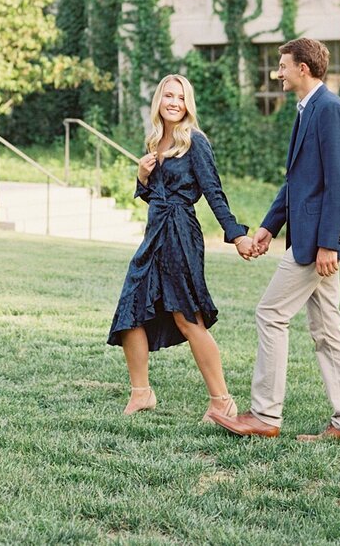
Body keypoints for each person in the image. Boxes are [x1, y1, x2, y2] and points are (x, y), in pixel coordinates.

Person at [211, 38, 340, 442]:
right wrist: (268, 227)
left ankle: (265, 415)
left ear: (304, 68)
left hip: (318, 242)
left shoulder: (329, 110)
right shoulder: (307, 109)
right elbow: (298, 182)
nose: (277, 73)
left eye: (282, 66)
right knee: (327, 330)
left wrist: (331, 243)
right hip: (309, 236)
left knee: (270, 313)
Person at [107, 74, 256, 420]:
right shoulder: (156, 141)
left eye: (180, 97)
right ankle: (141, 393)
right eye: (168, 96)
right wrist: (142, 178)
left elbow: (214, 193)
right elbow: (153, 195)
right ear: (158, 100)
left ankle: (222, 400)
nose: (174, 102)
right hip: (154, 233)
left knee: (186, 317)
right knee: (130, 309)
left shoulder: (195, 142)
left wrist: (236, 234)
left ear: (188, 104)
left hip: (180, 234)